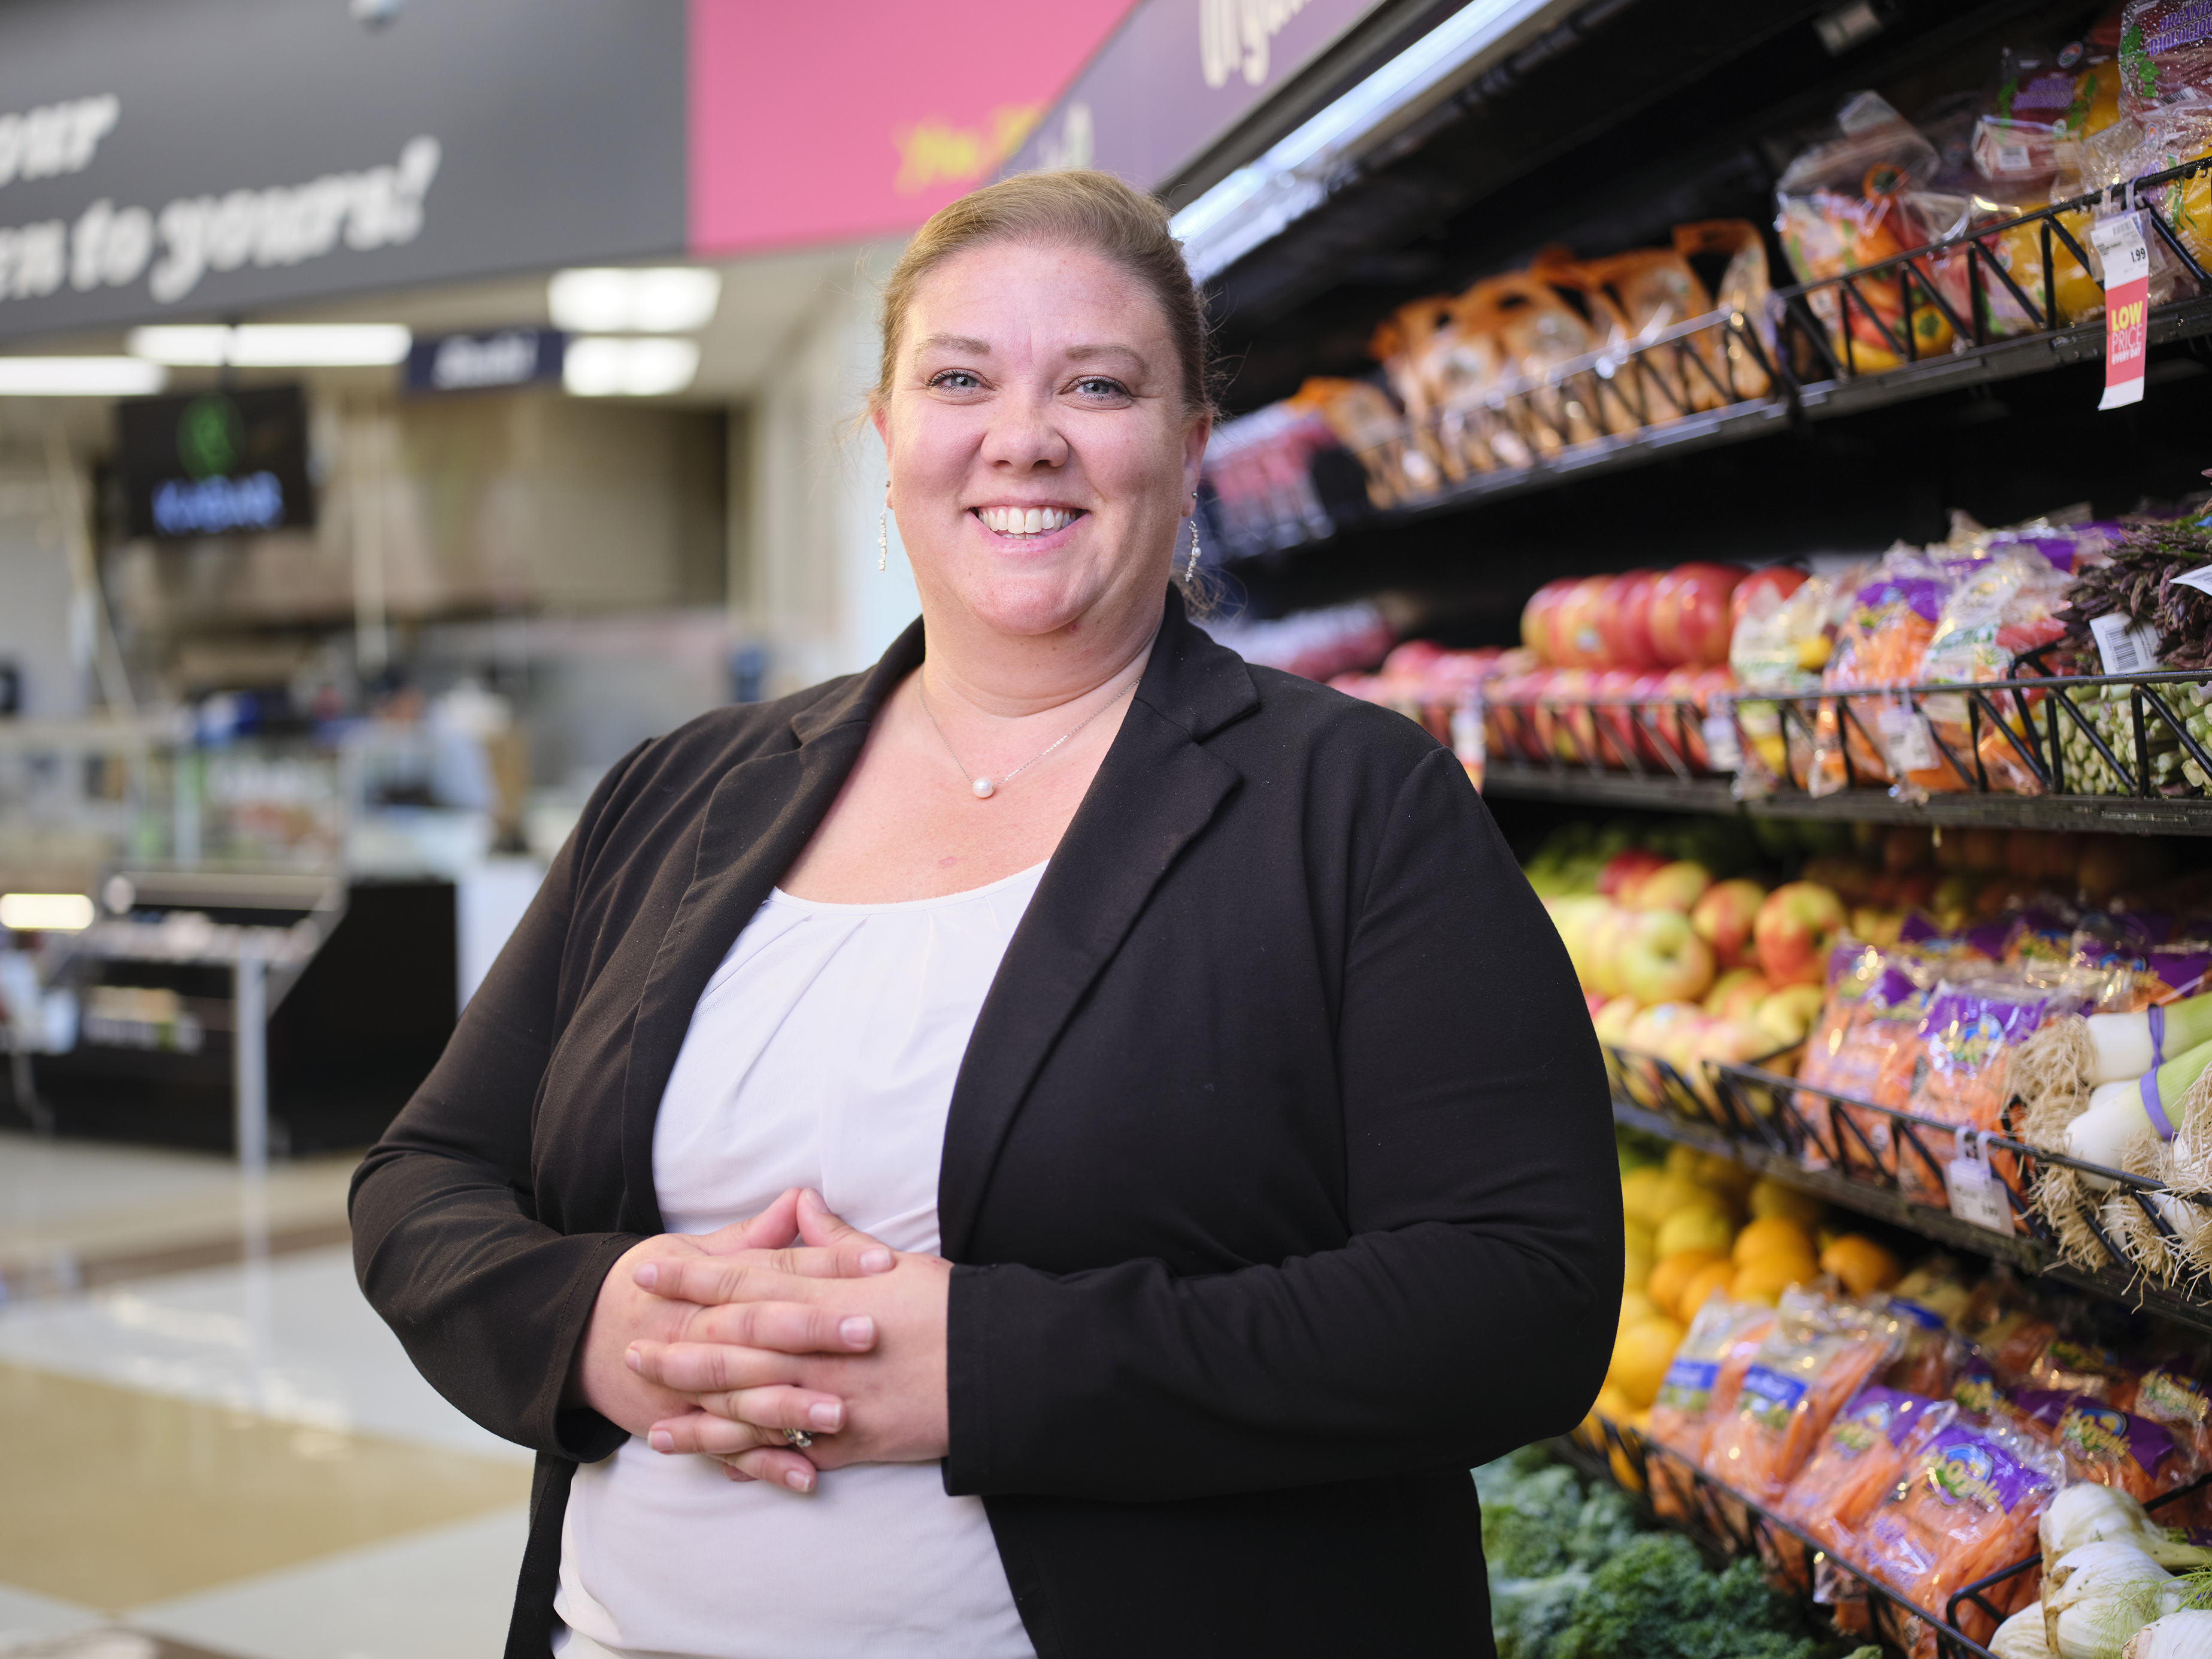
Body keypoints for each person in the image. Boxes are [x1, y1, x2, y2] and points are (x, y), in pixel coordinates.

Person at [351, 169, 1619, 1659]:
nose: (1022, 437)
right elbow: (423, 1178)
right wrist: (594, 1323)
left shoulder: (1353, 802)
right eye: (959, 378)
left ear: (1187, 442)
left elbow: (1515, 1298)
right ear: (885, 436)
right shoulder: (680, 792)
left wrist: (989, 1368)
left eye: (1097, 383)